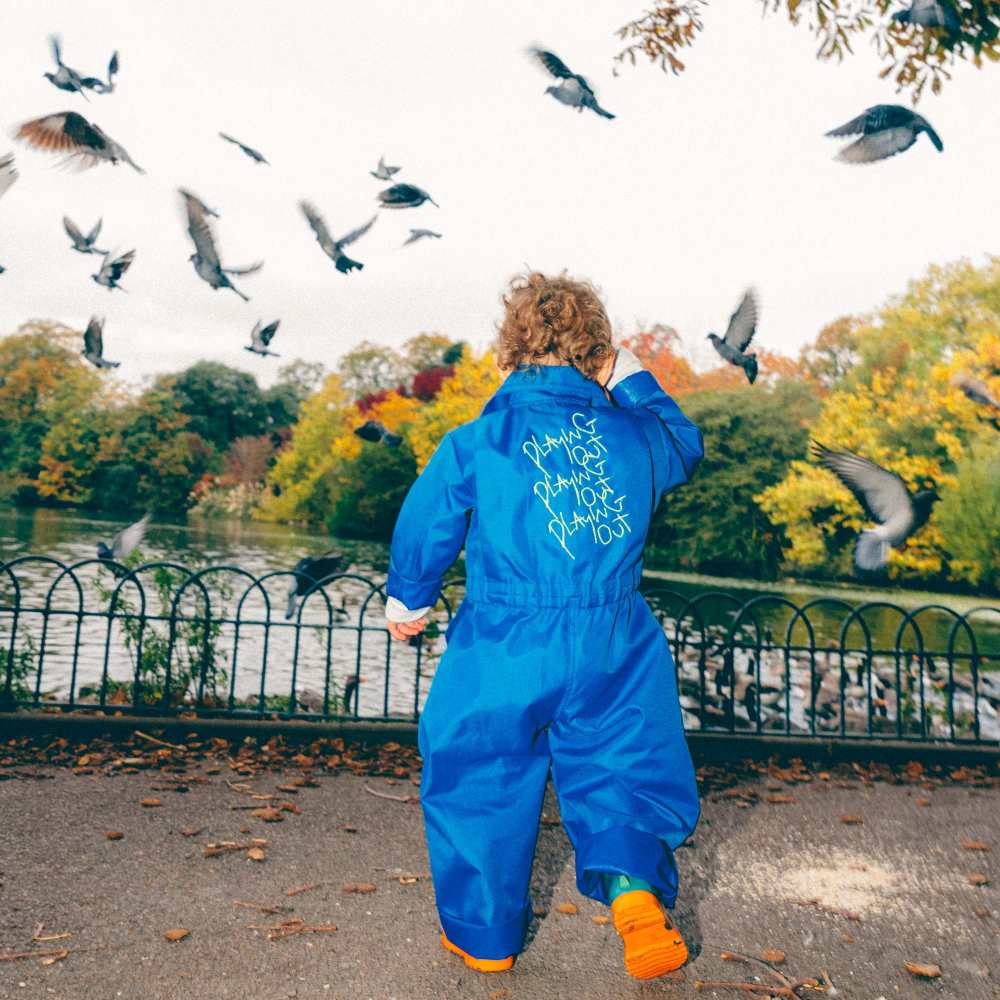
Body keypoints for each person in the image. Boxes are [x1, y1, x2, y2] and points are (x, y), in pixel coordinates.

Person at [384, 271, 703, 980]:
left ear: (507, 354)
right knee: (621, 769)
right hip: (614, 637)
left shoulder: (478, 440)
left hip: (504, 638)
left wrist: (409, 598)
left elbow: (427, 518)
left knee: (478, 771)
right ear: (598, 355)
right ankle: (635, 902)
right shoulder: (635, 435)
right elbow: (684, 443)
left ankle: (487, 937)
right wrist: (634, 378)